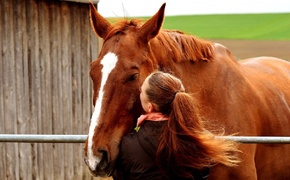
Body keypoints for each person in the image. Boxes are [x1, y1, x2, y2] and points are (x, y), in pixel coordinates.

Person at [113, 71, 240, 180]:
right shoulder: (198, 140)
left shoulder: (128, 145)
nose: (139, 93)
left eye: (141, 91)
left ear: (150, 107)